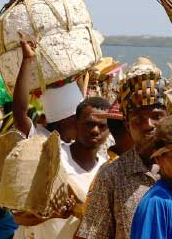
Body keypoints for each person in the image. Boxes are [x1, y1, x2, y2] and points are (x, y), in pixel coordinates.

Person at [76, 57, 166, 239]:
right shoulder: (112, 175)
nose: (148, 125)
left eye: (156, 116)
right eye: (139, 119)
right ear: (127, 125)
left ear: (168, 116)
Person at [15, 97, 111, 238]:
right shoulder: (50, 156)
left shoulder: (108, 170)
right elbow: (19, 216)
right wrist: (53, 214)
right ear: (75, 123)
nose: (95, 130)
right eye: (89, 124)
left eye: (102, 126)